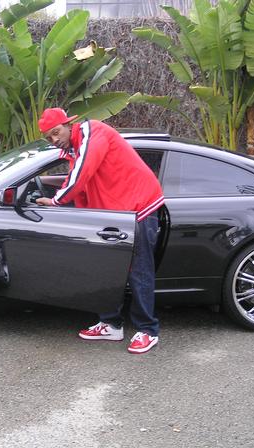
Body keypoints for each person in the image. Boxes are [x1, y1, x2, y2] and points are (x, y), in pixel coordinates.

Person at [36, 108, 165, 354]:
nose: (54, 139)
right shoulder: (74, 149)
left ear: (69, 124)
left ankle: (148, 330)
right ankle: (111, 324)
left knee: (139, 271)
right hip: (113, 214)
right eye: (49, 137)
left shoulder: (93, 131)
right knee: (106, 270)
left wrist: (56, 201)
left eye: (56, 132)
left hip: (138, 206)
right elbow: (78, 181)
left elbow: (80, 175)